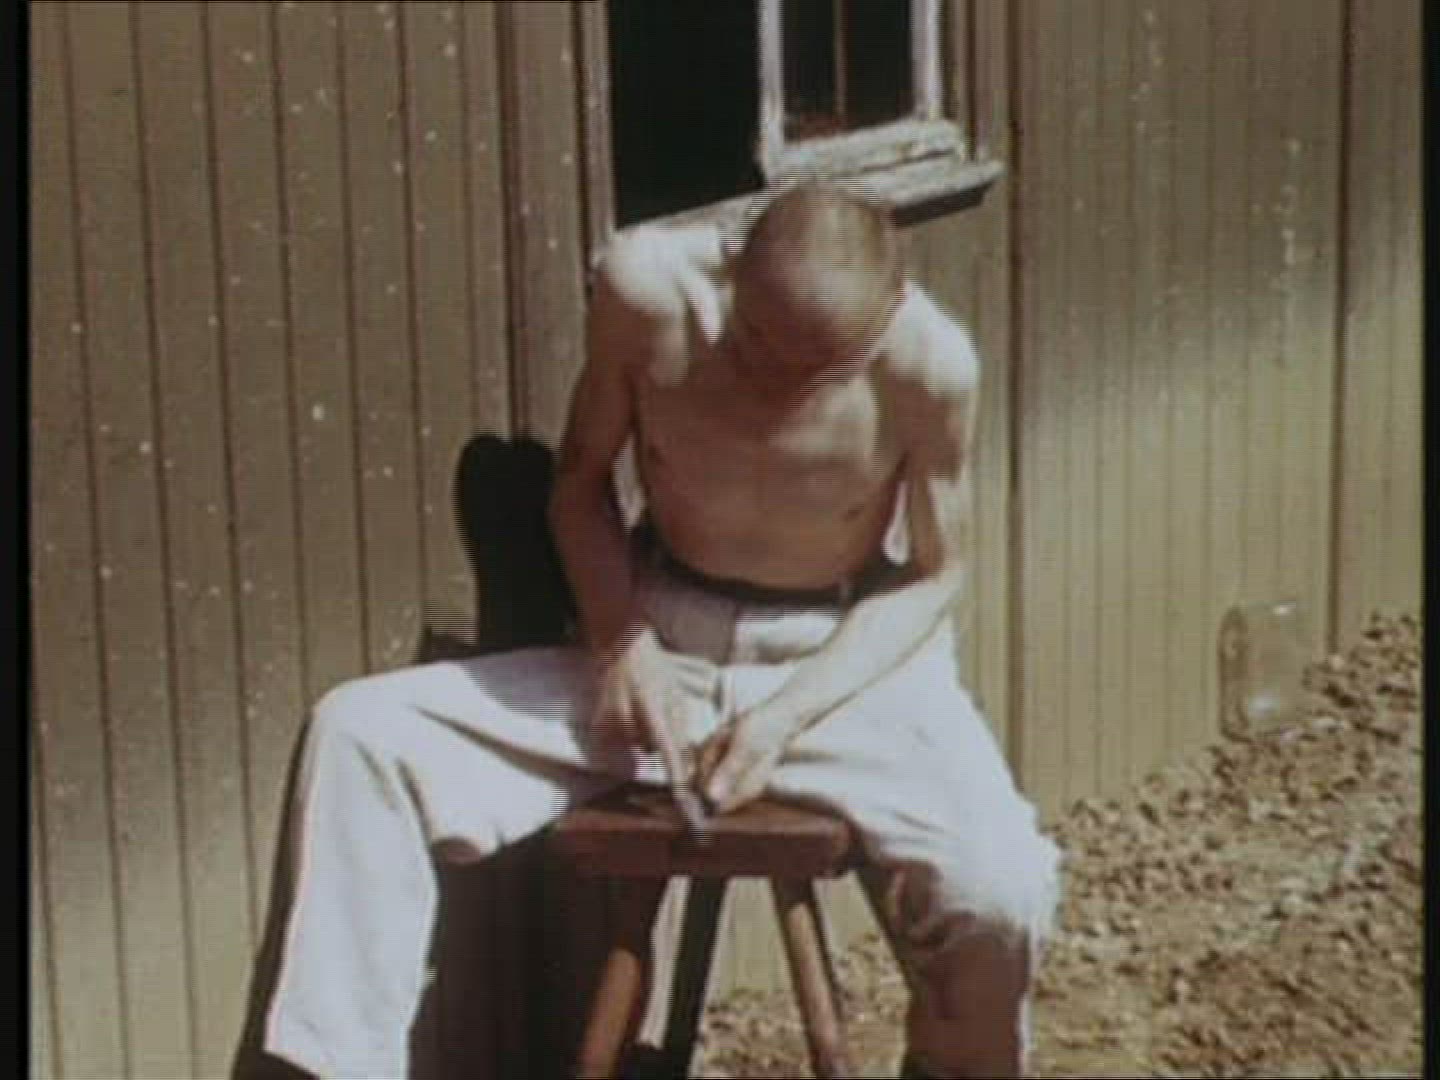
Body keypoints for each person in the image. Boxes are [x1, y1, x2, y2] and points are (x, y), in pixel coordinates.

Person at [248, 183, 1061, 1079]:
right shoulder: (646, 290)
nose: (782, 384)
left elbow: (936, 573)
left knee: (1003, 890)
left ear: (889, 314)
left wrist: (785, 716)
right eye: (760, 345)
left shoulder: (934, 365)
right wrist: (620, 641)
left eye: (822, 368)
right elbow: (578, 483)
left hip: (837, 667)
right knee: (363, 734)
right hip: (663, 635)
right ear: (730, 271)